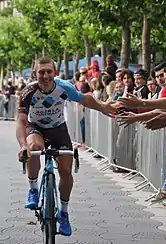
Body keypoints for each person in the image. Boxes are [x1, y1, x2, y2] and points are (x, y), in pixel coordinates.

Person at [16, 57, 117, 237]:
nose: (45, 76)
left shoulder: (64, 87)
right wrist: (23, 146)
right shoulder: (28, 91)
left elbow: (85, 100)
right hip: (36, 128)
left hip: (58, 129)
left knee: (65, 172)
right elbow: (22, 120)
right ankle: (33, 188)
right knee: (33, 147)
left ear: (55, 72)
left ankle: (63, 212)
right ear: (35, 74)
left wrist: (103, 107)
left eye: (49, 71)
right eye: (41, 72)